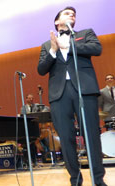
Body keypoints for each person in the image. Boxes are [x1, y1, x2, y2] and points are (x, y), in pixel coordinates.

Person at [37, 6, 106, 186]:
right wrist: (53, 50)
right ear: (57, 21)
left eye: (73, 14)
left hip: (84, 90)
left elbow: (96, 48)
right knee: (66, 140)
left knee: (91, 135)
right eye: (67, 13)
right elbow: (41, 69)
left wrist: (70, 44)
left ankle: (98, 180)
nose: (72, 15)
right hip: (59, 95)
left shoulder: (85, 33)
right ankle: (75, 180)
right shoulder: (46, 44)